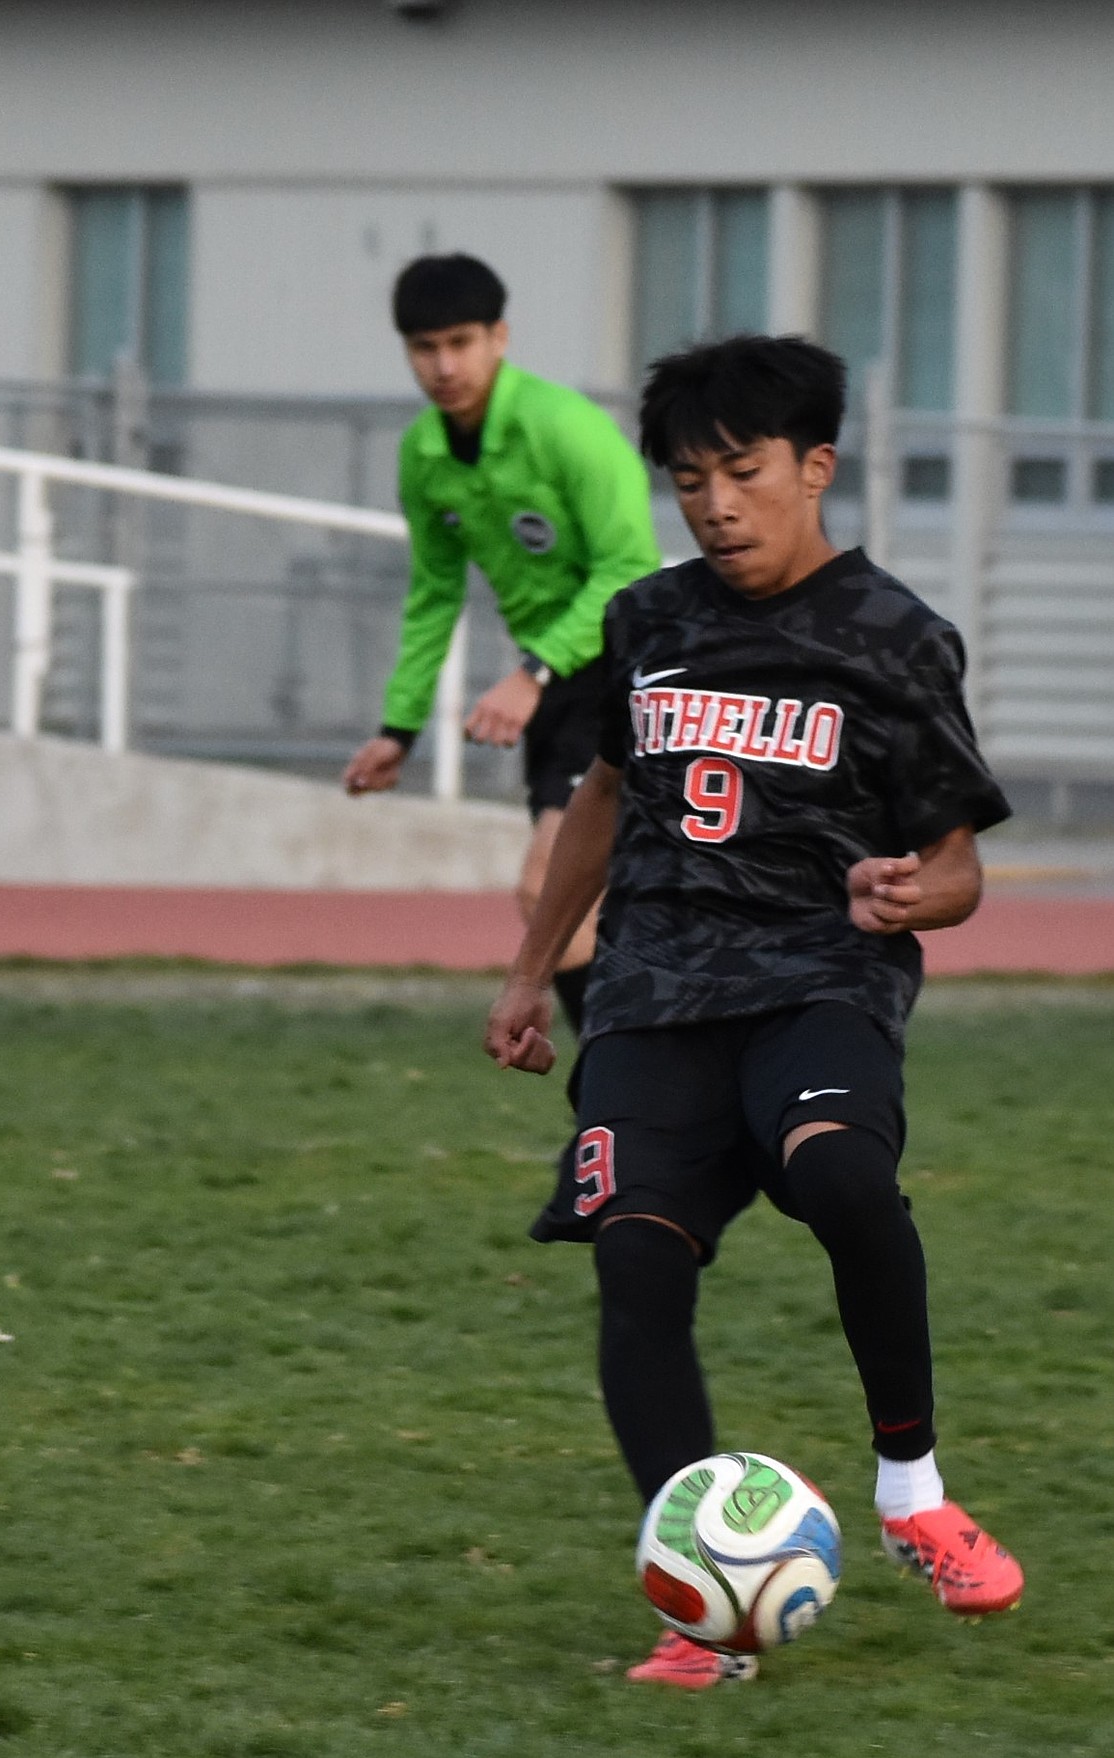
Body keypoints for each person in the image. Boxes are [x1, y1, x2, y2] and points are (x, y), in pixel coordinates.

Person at [484, 334, 1024, 1689]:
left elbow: (957, 859)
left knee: (840, 1174)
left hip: (814, 976)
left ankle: (912, 1493)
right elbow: (602, 797)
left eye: (741, 470)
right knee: (637, 1264)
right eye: (689, 478)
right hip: (654, 990)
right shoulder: (648, 620)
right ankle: (703, 1612)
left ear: (811, 468)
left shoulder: (893, 636)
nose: (714, 502)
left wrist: (916, 893)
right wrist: (526, 967)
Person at [343, 253, 661, 1035]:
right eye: (425, 348)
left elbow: (632, 569)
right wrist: (398, 728)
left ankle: (621, 1092)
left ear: (499, 337)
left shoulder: (566, 429)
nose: (444, 366)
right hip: (557, 688)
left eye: (460, 342)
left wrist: (533, 668)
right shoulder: (424, 456)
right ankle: (636, 1088)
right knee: (575, 898)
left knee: (550, 889)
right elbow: (434, 593)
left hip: (629, 668)